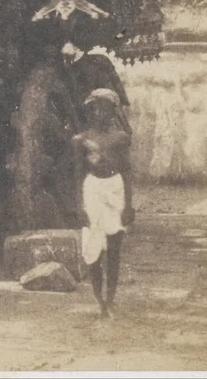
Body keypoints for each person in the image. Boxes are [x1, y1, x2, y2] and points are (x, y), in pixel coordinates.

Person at [72, 89, 134, 317]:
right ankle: (99, 299)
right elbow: (78, 175)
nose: (98, 113)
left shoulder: (120, 138)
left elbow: (126, 171)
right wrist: (79, 206)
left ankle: (110, 298)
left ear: (112, 112)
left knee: (114, 248)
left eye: (104, 109)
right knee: (93, 249)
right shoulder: (82, 140)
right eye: (94, 109)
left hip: (114, 189)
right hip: (92, 191)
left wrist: (128, 205)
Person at [62, 41, 131, 133]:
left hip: (109, 106)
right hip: (92, 110)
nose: (62, 48)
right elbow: (74, 93)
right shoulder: (70, 69)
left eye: (65, 44)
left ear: (76, 46)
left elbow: (115, 80)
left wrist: (123, 100)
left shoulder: (100, 59)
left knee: (121, 132)